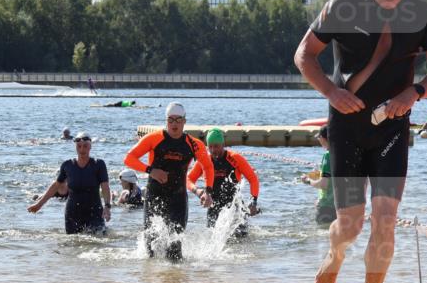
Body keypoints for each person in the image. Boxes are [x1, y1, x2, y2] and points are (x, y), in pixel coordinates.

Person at [294, 0, 427, 283]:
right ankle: (333, 259)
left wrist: (413, 93)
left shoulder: (422, 12)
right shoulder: (343, 6)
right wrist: (331, 92)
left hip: (391, 128)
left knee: (385, 220)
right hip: (347, 127)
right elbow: (304, 55)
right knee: (350, 224)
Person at [124, 102, 214, 259]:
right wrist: (151, 170)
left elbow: (208, 167)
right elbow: (129, 158)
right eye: (170, 120)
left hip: (178, 198)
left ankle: (175, 282)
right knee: (150, 248)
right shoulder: (154, 138)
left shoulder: (194, 144)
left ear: (184, 121)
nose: (174, 124)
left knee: (175, 248)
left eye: (178, 120)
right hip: (154, 195)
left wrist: (208, 191)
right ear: (166, 121)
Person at [28, 132, 112, 235]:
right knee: (72, 244)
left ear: (90, 146)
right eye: (79, 146)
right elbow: (56, 186)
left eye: (85, 146)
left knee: (99, 241)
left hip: (94, 211)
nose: (82, 149)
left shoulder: (98, 164)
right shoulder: (67, 165)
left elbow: (105, 186)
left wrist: (107, 206)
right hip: (73, 212)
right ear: (75, 147)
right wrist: (39, 204)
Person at [187, 128, 260, 237]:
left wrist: (253, 201)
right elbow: (188, 179)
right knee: (213, 240)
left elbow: (253, 179)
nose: (213, 150)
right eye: (210, 146)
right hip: (213, 207)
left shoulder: (235, 158)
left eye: (216, 146)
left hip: (235, 208)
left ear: (223, 144)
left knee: (241, 241)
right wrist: (198, 192)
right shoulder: (205, 161)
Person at [300, 126, 335, 226]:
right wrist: (315, 175)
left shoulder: (327, 155)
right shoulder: (341, 153)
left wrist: (307, 181)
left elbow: (324, 184)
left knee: (324, 238)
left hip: (327, 207)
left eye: (319, 138)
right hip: (343, 206)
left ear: (323, 139)